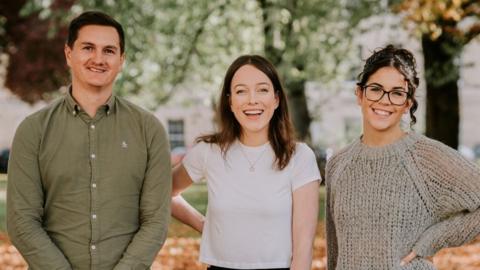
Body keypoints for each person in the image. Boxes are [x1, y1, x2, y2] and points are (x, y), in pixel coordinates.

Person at [7, 11, 171, 269]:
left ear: (121, 60)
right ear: (69, 54)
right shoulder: (33, 130)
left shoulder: (149, 130)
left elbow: (155, 220)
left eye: (109, 50)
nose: (98, 58)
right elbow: (22, 222)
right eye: (88, 48)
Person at [325, 44, 480, 270]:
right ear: (359, 94)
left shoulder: (425, 157)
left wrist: (432, 240)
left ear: (407, 103)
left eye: (397, 93)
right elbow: (334, 252)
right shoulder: (338, 164)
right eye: (376, 89)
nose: (385, 100)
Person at [171, 55, 321, 270]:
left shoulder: (299, 156)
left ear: (276, 99)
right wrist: (205, 225)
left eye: (262, 90)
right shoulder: (208, 152)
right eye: (241, 91)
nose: (252, 100)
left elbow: (304, 248)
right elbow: (162, 192)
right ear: (230, 101)